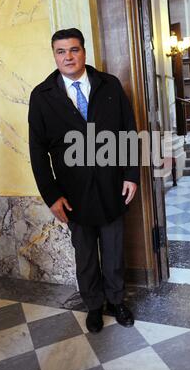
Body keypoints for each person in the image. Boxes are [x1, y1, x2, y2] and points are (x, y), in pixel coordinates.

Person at [28, 28, 139, 333]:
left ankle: (117, 301)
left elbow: (128, 131)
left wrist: (131, 174)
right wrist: (51, 196)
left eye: (74, 50)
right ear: (54, 55)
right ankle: (94, 305)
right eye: (61, 51)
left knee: (114, 250)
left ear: (84, 52)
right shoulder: (42, 96)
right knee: (86, 254)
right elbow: (37, 151)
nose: (68, 57)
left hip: (112, 185)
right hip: (72, 192)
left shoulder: (110, 85)